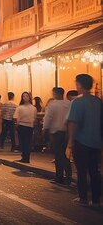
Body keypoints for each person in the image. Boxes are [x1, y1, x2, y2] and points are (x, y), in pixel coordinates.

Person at [67, 74, 101, 207]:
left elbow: (73, 122)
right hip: (97, 142)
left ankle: (83, 198)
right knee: (94, 171)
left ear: (79, 85)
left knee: (81, 171)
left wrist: (70, 142)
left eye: (76, 84)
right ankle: (97, 200)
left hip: (82, 141)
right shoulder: (98, 101)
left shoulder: (78, 101)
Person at [43, 87, 72, 185]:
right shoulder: (69, 103)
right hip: (67, 132)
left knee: (58, 155)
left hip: (55, 132)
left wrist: (45, 129)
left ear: (55, 94)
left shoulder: (52, 105)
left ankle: (59, 177)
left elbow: (48, 118)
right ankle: (69, 175)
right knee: (65, 154)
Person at [13, 92, 36, 164]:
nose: (25, 97)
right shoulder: (20, 107)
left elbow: (34, 118)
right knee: (24, 142)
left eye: (27, 96)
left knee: (26, 142)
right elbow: (15, 118)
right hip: (22, 125)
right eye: (24, 96)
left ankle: (26, 157)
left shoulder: (33, 108)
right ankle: (25, 157)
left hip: (28, 126)